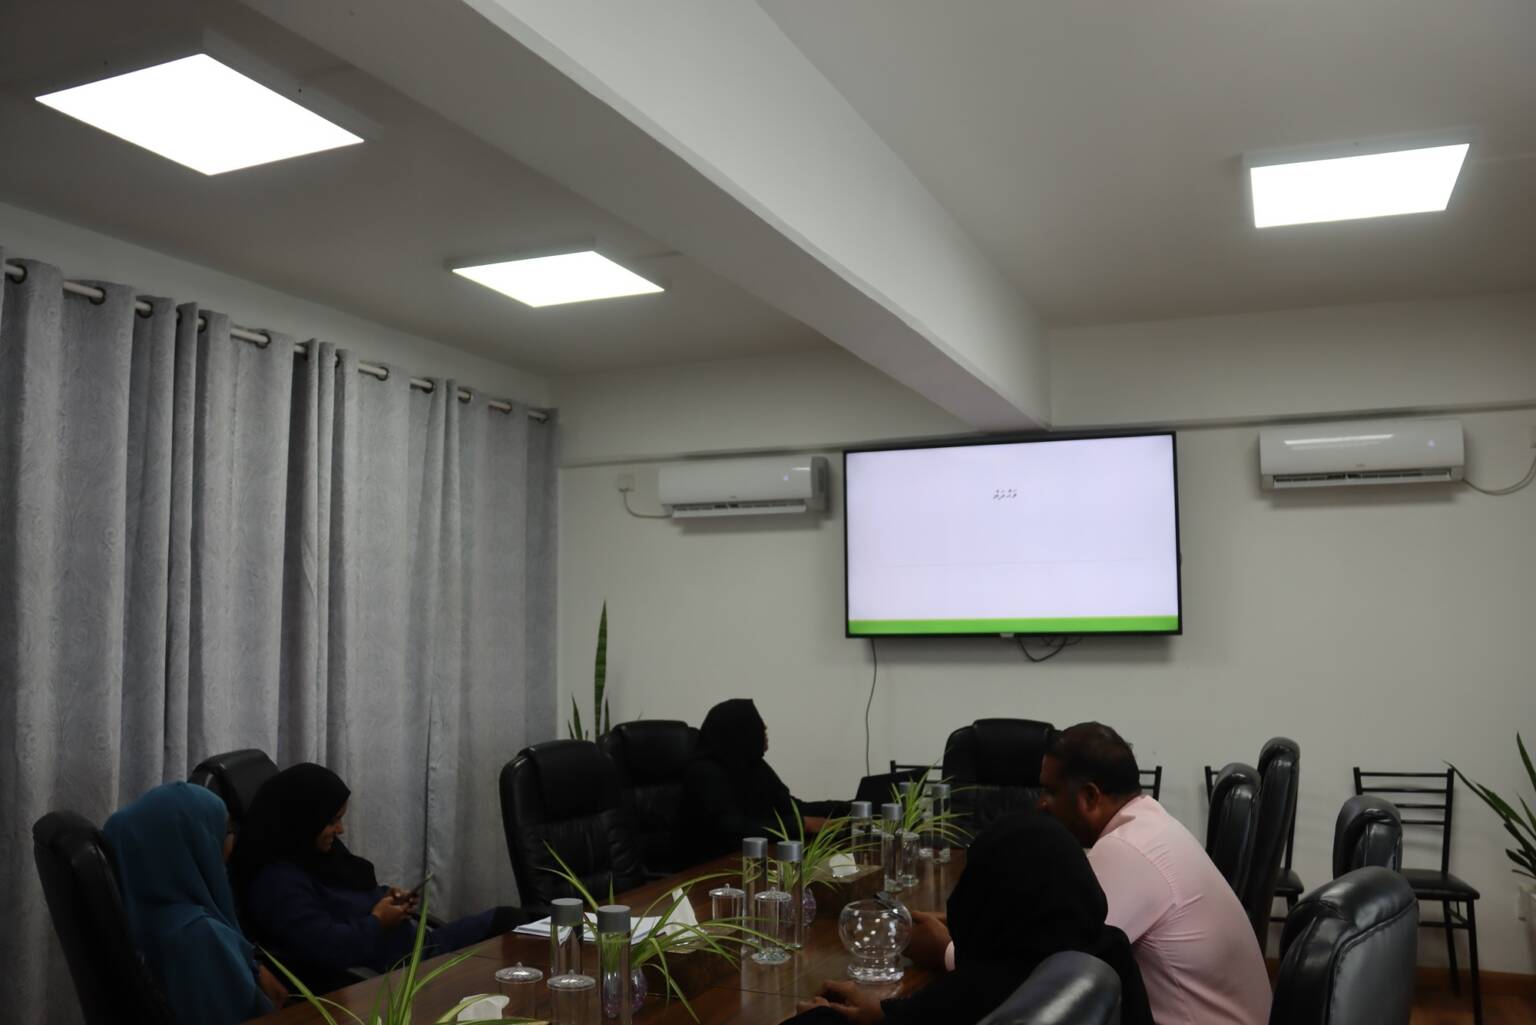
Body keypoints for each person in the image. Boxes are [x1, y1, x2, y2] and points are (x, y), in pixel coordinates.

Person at [791, 813, 1152, 1025]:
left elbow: (943, 1008)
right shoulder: (1109, 947)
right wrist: (885, 1013)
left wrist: (826, 1019)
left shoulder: (990, 983)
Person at [1038, 722, 1272, 1025]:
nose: (1041, 803)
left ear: (1091, 797)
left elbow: (1056, 959)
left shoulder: (1127, 849)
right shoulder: (1150, 824)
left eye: (1050, 791)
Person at [229, 763, 520, 993]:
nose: (340, 830)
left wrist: (388, 897)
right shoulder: (277, 885)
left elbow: (351, 892)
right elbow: (328, 949)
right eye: (332, 821)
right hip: (398, 977)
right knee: (512, 939)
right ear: (302, 821)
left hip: (421, 949)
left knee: (513, 920)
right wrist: (379, 921)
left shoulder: (313, 852)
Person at [104, 782, 288, 1025]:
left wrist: (252, 967)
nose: (231, 840)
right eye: (225, 829)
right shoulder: (197, 937)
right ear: (191, 844)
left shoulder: (142, 919)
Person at [684, 698, 831, 858]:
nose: (764, 727)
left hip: (754, 859)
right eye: (756, 722)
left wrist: (844, 809)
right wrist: (803, 825)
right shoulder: (703, 773)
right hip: (710, 866)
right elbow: (733, 831)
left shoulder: (752, 763)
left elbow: (789, 807)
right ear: (739, 730)